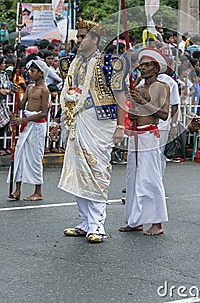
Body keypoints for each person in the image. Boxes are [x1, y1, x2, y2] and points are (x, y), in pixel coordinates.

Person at [58, 19, 128, 244]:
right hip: (78, 121)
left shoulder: (110, 63)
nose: (78, 41)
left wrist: (120, 126)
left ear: (95, 40)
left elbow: (120, 97)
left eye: (83, 37)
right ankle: (84, 222)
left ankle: (97, 224)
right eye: (77, 37)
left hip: (101, 123)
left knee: (97, 171)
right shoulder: (72, 63)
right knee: (79, 171)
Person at [119, 47, 170, 236]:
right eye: (142, 64)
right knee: (133, 179)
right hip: (135, 136)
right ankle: (135, 220)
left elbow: (164, 114)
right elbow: (138, 112)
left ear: (156, 69)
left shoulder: (162, 87)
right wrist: (133, 113)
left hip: (149, 136)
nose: (143, 67)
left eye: (148, 64)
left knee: (150, 178)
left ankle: (157, 222)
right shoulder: (138, 87)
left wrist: (141, 102)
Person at [8, 60, 49, 201]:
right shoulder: (29, 88)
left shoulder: (44, 90)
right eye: (29, 71)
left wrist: (23, 121)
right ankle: (17, 190)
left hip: (37, 126)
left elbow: (44, 113)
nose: (29, 73)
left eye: (33, 71)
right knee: (19, 155)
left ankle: (38, 191)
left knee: (35, 158)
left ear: (41, 73)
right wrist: (16, 94)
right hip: (27, 125)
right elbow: (20, 106)